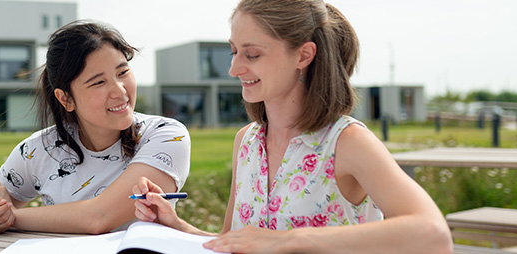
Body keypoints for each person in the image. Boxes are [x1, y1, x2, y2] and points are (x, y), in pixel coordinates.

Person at [132, 0, 453, 252]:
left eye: (252, 54)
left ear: (303, 55)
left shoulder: (347, 142)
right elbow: (233, 241)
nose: (233, 68)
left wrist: (292, 241)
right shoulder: (246, 142)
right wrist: (175, 224)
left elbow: (433, 235)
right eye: (233, 51)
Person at [0, 20, 191, 234]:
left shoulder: (167, 135)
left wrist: (12, 218)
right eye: (98, 82)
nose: (120, 91)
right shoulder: (39, 149)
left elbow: (99, 217)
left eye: (123, 73)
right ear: (65, 99)